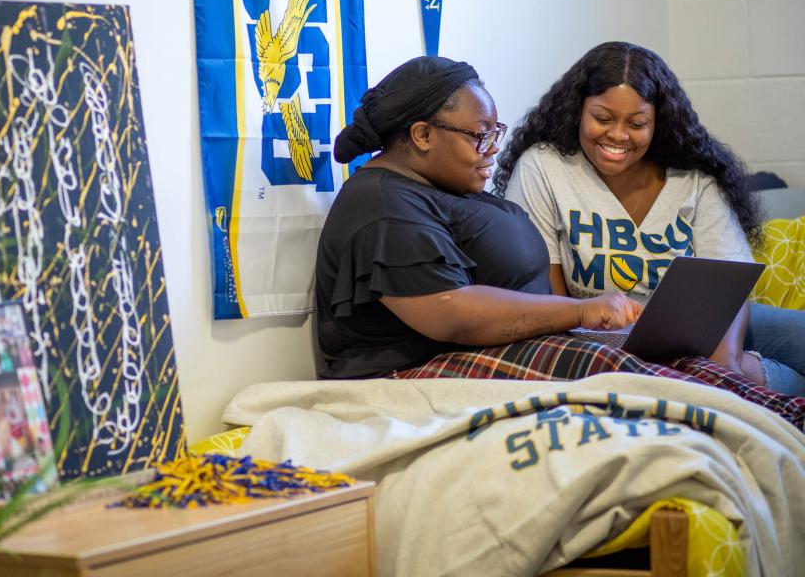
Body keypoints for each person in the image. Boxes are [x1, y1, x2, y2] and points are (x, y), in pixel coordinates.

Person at [316, 55, 804, 429]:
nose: (491, 152)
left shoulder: (429, 189)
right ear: (422, 134)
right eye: (480, 136)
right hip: (428, 368)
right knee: (640, 375)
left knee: (654, 364)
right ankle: (776, 418)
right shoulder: (380, 204)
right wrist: (579, 313)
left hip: (519, 343)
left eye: (495, 134)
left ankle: (774, 413)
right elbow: (451, 312)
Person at [494, 41, 805, 396]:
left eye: (637, 123)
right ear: (577, 110)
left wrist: (726, 369)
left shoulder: (694, 175)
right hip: (604, 343)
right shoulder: (544, 167)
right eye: (602, 118)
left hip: (705, 330)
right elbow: (548, 298)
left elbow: (727, 286)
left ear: (659, 122)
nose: (618, 135)